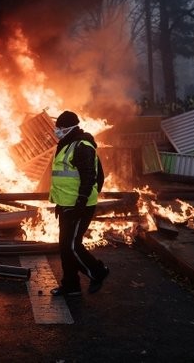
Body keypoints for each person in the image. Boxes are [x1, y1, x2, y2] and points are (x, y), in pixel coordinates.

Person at [49, 110, 109, 296]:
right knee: (65, 247)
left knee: (73, 246)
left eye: (60, 127)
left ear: (69, 128)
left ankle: (98, 272)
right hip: (66, 204)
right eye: (57, 127)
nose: (57, 130)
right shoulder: (66, 144)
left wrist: (81, 203)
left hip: (78, 206)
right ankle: (71, 285)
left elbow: (92, 177)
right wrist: (60, 203)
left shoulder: (83, 146)